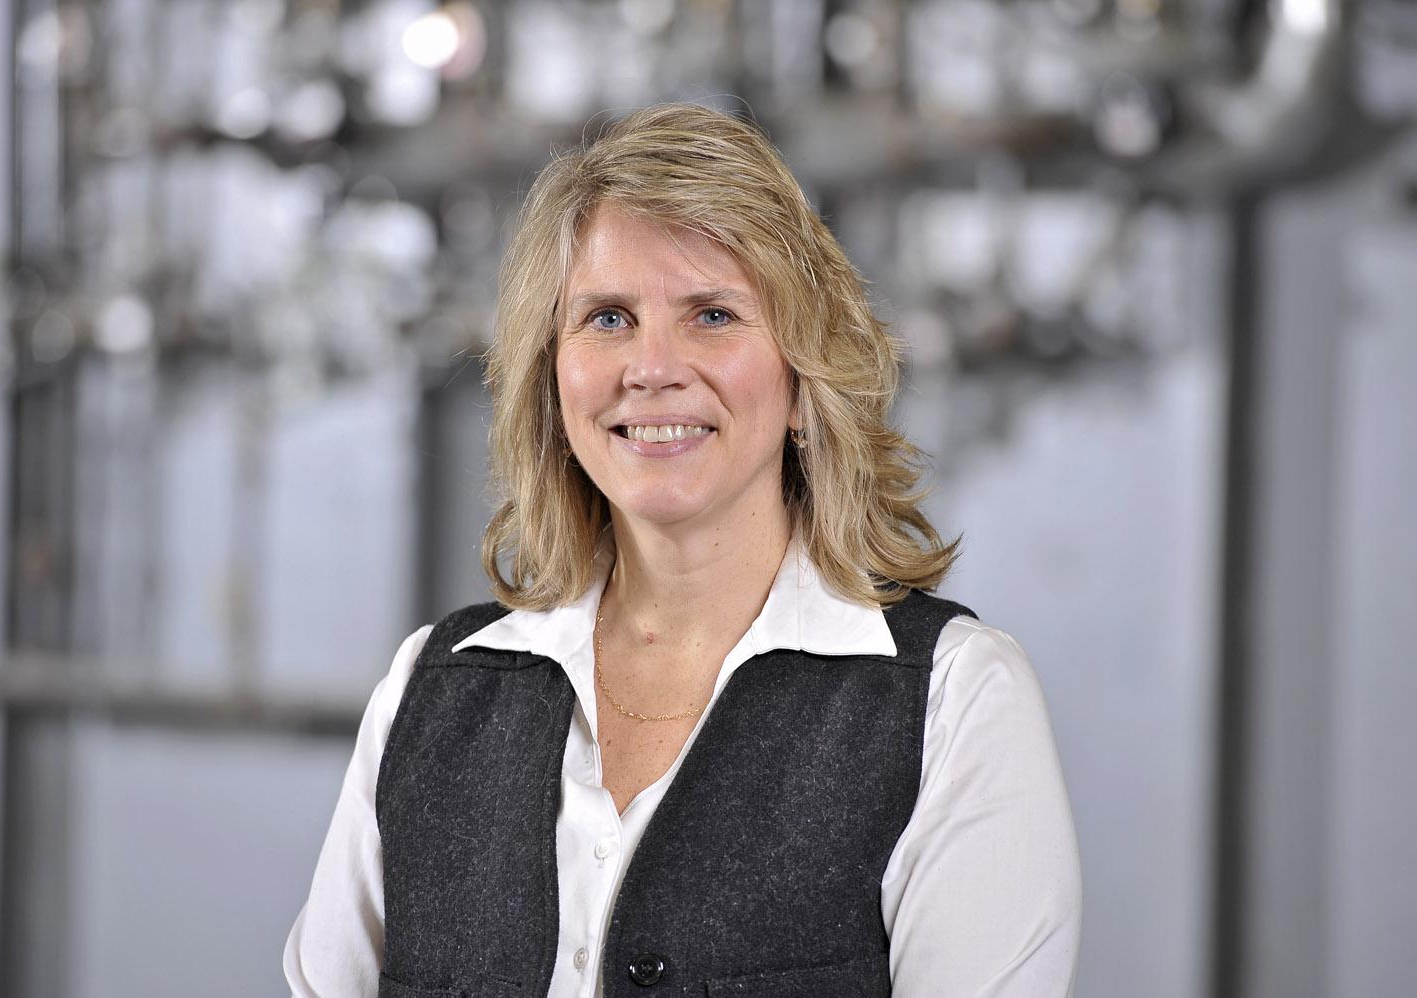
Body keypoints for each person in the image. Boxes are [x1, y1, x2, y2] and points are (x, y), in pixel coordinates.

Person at [284, 103, 1081, 998]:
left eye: (711, 315)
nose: (652, 366)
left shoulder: (954, 702)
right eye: (608, 318)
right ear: (552, 378)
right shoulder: (428, 691)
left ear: (803, 382)